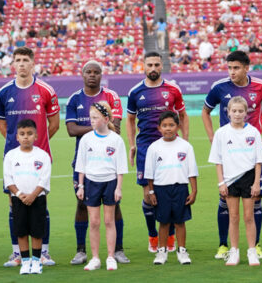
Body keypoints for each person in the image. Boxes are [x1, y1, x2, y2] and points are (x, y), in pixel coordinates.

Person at [202, 50, 262, 260]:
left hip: (250, 154)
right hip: (229, 155)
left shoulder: (261, 86)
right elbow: (206, 110)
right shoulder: (219, 87)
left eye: (236, 68)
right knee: (226, 204)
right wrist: (213, 138)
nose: (232, 72)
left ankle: (254, 246)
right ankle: (224, 246)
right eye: (229, 68)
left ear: (246, 68)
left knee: (255, 201)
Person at [0, 47, 59, 267]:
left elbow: (55, 123)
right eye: (18, 60)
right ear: (13, 63)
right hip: (14, 158)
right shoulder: (4, 93)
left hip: (40, 157)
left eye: (25, 60)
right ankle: (17, 254)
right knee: (14, 204)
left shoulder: (45, 90)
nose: (21, 64)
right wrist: (18, 148)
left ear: (33, 63)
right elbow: (2, 125)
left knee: (41, 202)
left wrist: (37, 147)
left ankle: (44, 253)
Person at [65, 61, 128, 265]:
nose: (92, 75)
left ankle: (118, 249)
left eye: (96, 72)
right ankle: (81, 250)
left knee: (114, 207)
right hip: (85, 161)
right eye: (88, 72)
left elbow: (116, 128)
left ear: (101, 75)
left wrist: (99, 126)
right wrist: (98, 126)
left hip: (108, 162)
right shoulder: (75, 99)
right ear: (82, 74)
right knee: (81, 204)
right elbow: (71, 130)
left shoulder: (112, 96)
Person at [127, 52, 188, 252]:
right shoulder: (135, 92)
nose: (153, 68)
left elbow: (183, 115)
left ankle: (169, 235)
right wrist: (132, 145)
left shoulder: (172, 89)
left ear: (162, 66)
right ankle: (153, 235)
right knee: (148, 195)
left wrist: (185, 142)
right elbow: (129, 120)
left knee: (168, 193)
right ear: (143, 66)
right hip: (145, 147)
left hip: (170, 147)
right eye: (149, 65)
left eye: (156, 65)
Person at [209, 97, 262, 266]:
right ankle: (234, 252)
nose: (237, 114)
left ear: (246, 113)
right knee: (233, 217)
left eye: (241, 111)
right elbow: (217, 161)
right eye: (234, 111)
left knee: (249, 217)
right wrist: (221, 183)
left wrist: (257, 183)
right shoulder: (221, 133)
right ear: (228, 112)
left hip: (248, 178)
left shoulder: (253, 132)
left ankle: (252, 251)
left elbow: (258, 161)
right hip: (230, 180)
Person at [75, 102, 128, 271]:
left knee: (109, 221)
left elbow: (120, 167)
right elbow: (81, 165)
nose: (92, 121)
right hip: (91, 183)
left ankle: (111, 257)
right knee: (95, 222)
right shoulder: (86, 139)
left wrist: (118, 188)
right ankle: (95, 258)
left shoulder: (116, 140)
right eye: (90, 117)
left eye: (95, 118)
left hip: (110, 183)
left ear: (106, 119)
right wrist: (81, 186)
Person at [145, 111, 198, 265]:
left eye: (171, 125)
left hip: (180, 188)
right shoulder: (154, 148)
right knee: (163, 222)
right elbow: (150, 173)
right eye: (164, 126)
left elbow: (192, 171)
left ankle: (182, 251)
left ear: (178, 126)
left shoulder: (186, 146)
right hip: (161, 189)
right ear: (159, 128)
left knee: (180, 221)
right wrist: (152, 191)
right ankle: (162, 252)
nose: (168, 128)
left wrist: (194, 191)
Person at [3, 119, 52, 275]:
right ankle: (25, 262)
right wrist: (19, 194)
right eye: (22, 134)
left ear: (36, 136)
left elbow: (44, 179)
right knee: (21, 231)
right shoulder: (11, 156)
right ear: (17, 137)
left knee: (37, 231)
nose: (26, 137)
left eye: (30, 134)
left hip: (37, 198)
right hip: (19, 199)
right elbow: (8, 179)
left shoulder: (43, 155)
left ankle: (36, 262)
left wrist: (33, 195)